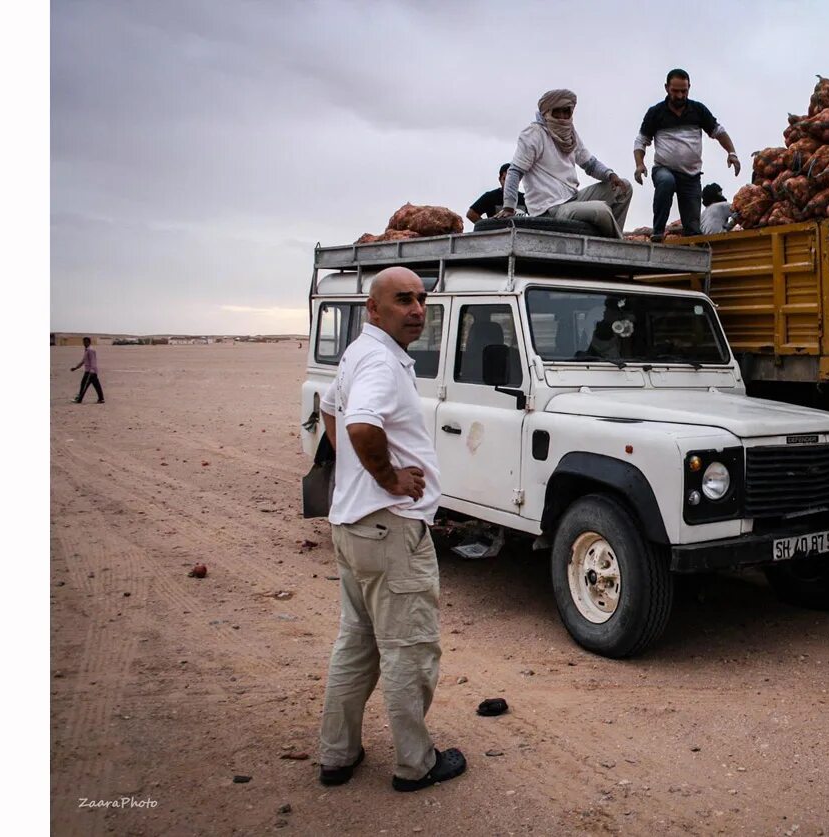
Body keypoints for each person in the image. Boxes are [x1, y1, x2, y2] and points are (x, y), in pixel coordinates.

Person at [316, 266, 466, 793]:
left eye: (422, 300)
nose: (418, 310)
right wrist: (387, 477)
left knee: (357, 642)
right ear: (373, 309)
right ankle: (415, 763)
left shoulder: (360, 352)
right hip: (389, 529)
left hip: (353, 526)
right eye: (403, 300)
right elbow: (358, 423)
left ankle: (337, 754)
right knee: (408, 647)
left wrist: (355, 471)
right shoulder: (379, 359)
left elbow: (330, 409)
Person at [494, 89, 632, 238]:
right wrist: (509, 206)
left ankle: (607, 238)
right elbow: (515, 171)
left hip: (573, 199)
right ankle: (617, 243)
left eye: (566, 112)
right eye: (557, 112)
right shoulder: (534, 133)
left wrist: (610, 175)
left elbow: (590, 164)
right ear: (547, 113)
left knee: (624, 188)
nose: (562, 117)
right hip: (550, 209)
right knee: (601, 210)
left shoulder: (570, 133)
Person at [633, 69, 741, 241]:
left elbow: (718, 131)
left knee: (692, 226)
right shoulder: (656, 113)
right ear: (667, 88)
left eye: (684, 91)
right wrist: (640, 164)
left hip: (691, 175)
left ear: (689, 88)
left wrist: (732, 153)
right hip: (664, 168)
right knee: (666, 182)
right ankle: (658, 231)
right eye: (675, 91)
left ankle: (693, 245)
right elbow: (641, 141)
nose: (680, 95)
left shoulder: (698, 110)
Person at [69, 337, 105, 403]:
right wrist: (76, 368)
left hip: (90, 372)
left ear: (89, 342)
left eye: (85, 342)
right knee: (96, 385)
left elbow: (93, 361)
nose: (84, 343)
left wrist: (91, 371)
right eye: (83, 342)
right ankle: (101, 399)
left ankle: (79, 399)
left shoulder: (91, 350)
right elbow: (83, 361)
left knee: (83, 385)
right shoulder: (87, 350)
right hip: (91, 372)